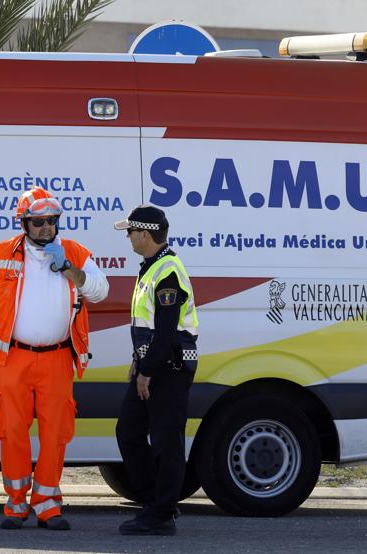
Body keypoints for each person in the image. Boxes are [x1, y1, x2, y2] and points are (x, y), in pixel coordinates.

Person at [0, 187, 109, 531]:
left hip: (58, 359)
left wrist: (70, 270)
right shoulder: (1, 254)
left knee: (55, 433)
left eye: (52, 221)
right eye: (39, 222)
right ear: (24, 223)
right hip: (13, 358)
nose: (47, 228)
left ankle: (48, 504)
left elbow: (100, 290)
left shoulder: (74, 252)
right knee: (12, 431)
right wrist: (9, 323)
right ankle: (16, 505)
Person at [112, 205, 199, 536]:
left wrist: (146, 371)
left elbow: (165, 334)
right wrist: (139, 363)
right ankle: (156, 502)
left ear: (145, 234)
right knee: (129, 432)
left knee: (166, 442)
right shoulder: (152, 267)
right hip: (152, 366)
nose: (129, 237)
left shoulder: (167, 273)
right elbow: (147, 330)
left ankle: (161, 514)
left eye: (130, 232)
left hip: (169, 369)